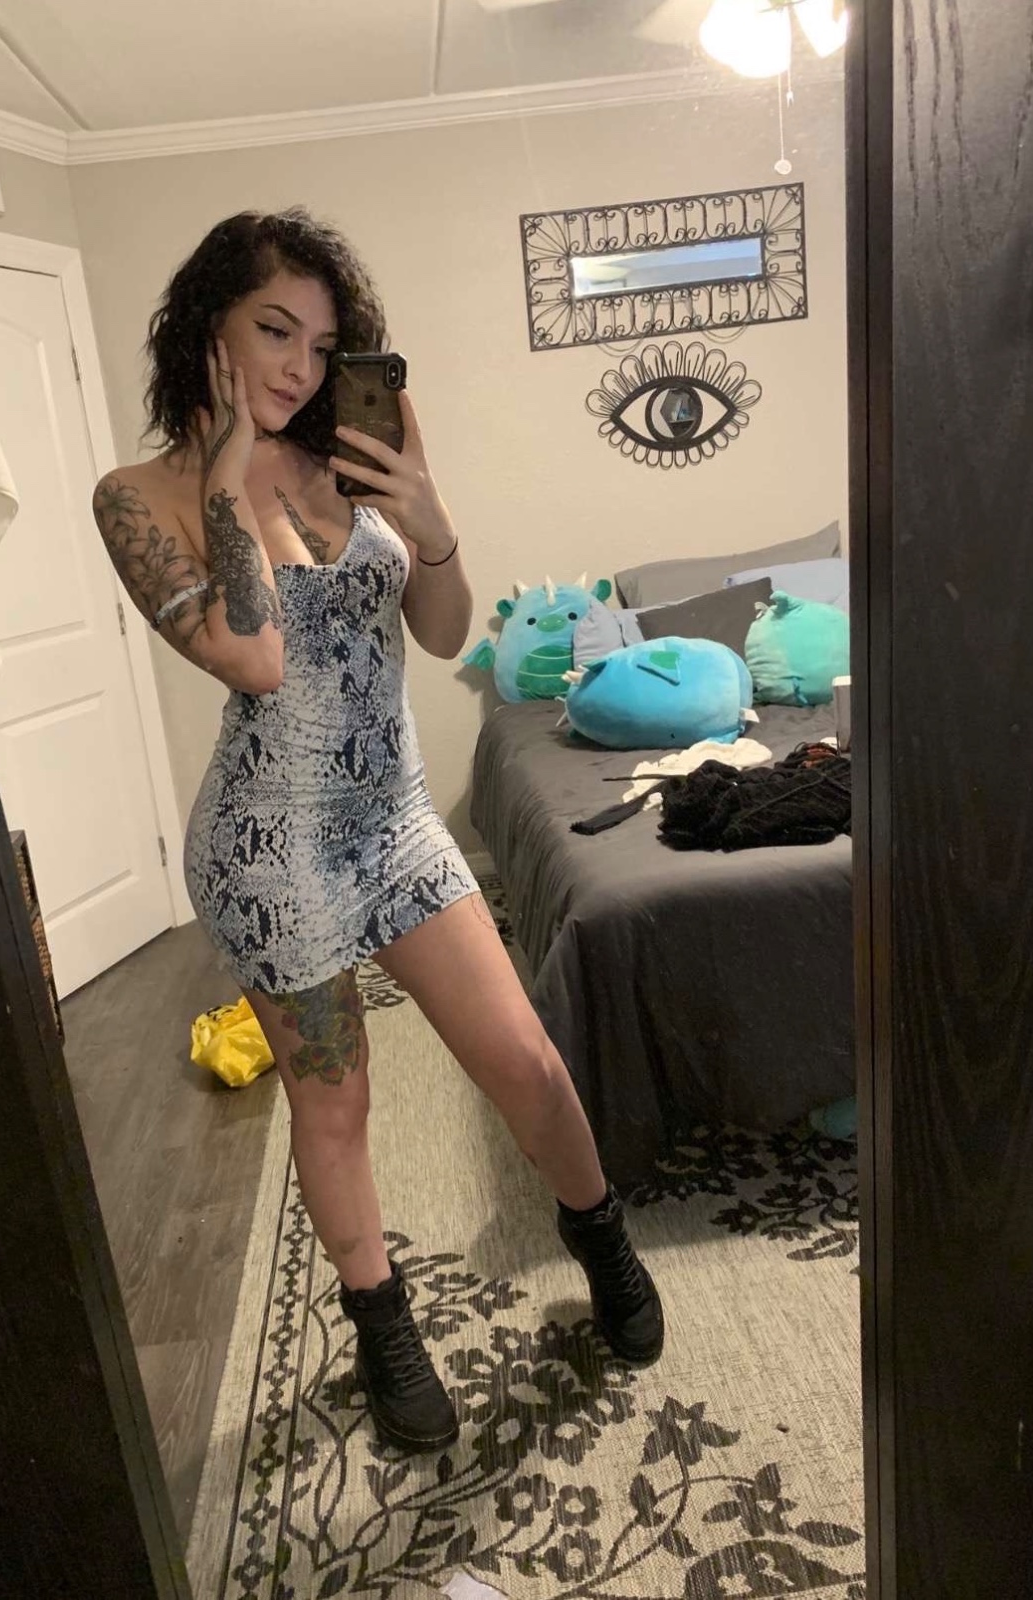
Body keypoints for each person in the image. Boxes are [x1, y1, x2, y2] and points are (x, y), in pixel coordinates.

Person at [92, 209, 663, 1454]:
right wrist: (228, 474)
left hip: (394, 819)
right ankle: (382, 1324)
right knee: (336, 1102)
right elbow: (253, 659)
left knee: (525, 1059)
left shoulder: (352, 449)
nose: (300, 367)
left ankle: (601, 1240)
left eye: (321, 341)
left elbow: (445, 631)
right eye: (273, 332)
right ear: (206, 330)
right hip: (270, 850)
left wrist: (430, 512)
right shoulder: (138, 498)